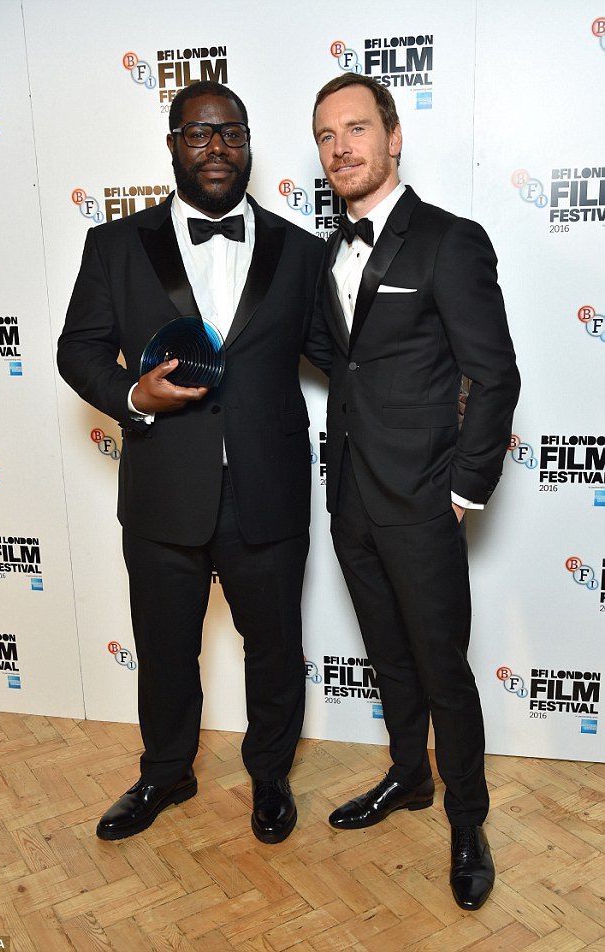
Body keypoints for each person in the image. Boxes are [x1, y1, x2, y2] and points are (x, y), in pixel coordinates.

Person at [58, 81, 330, 845]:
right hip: (161, 490)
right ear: (173, 143)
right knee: (166, 649)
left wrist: (435, 381)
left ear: (249, 142)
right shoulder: (115, 245)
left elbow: (342, 356)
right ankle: (165, 771)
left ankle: (270, 775)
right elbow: (77, 349)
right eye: (198, 134)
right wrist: (131, 395)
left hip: (267, 490)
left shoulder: (302, 252)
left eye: (231, 134)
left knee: (276, 648)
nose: (217, 148)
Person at [311, 73, 520, 910]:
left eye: (356, 129)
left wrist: (466, 488)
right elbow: (346, 361)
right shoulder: (325, 250)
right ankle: (408, 777)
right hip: (352, 493)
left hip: (426, 500)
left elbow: (494, 374)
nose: (341, 149)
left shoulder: (449, 240)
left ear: (394, 138)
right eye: (326, 137)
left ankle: (468, 819)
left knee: (442, 669)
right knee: (387, 655)